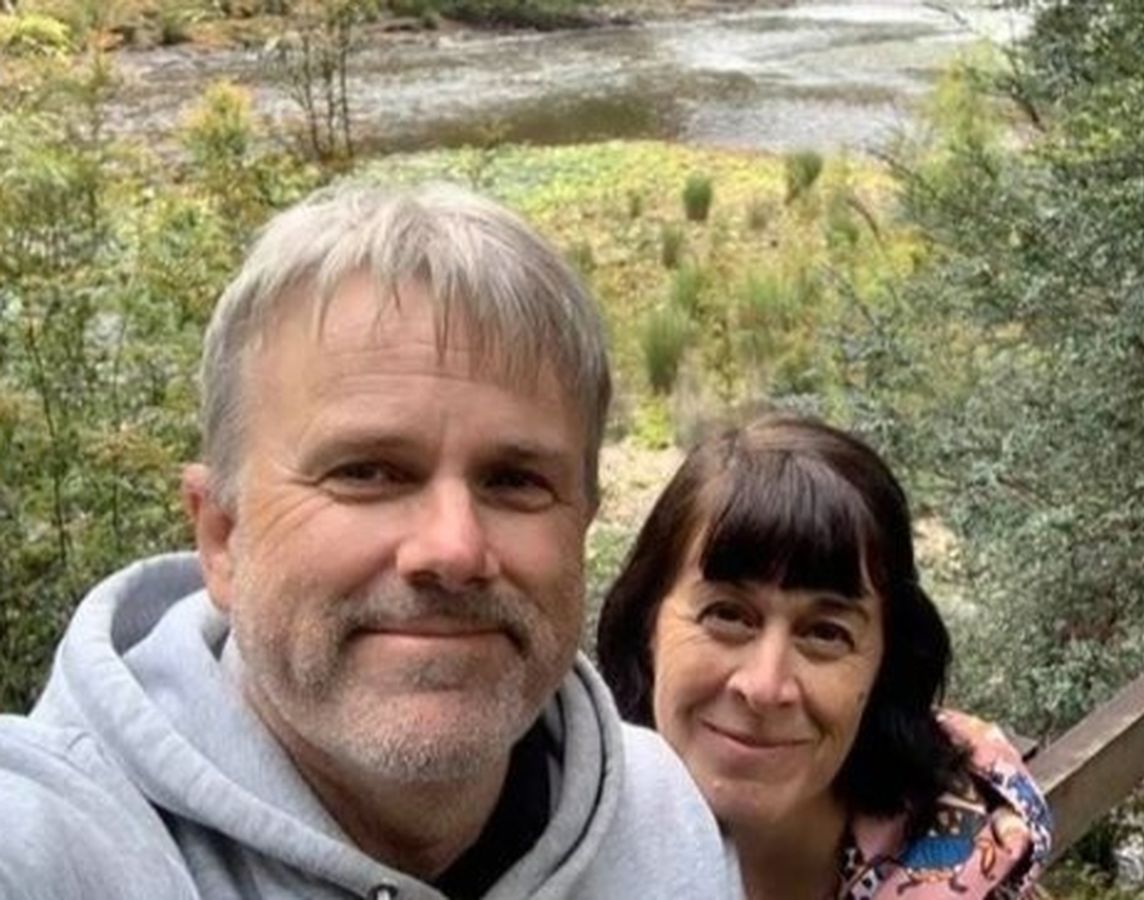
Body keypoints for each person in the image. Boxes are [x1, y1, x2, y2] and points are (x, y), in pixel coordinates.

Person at [0, 183, 740, 899]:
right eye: (367, 473)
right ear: (222, 536)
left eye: (515, 481)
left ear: (582, 524)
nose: (453, 550)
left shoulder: (659, 815)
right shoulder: (55, 840)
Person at [597, 413, 1052, 900]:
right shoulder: (553, 829)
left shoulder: (980, 876)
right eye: (727, 615)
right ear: (646, 625)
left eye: (825, 634)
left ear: (885, 665)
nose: (765, 687)